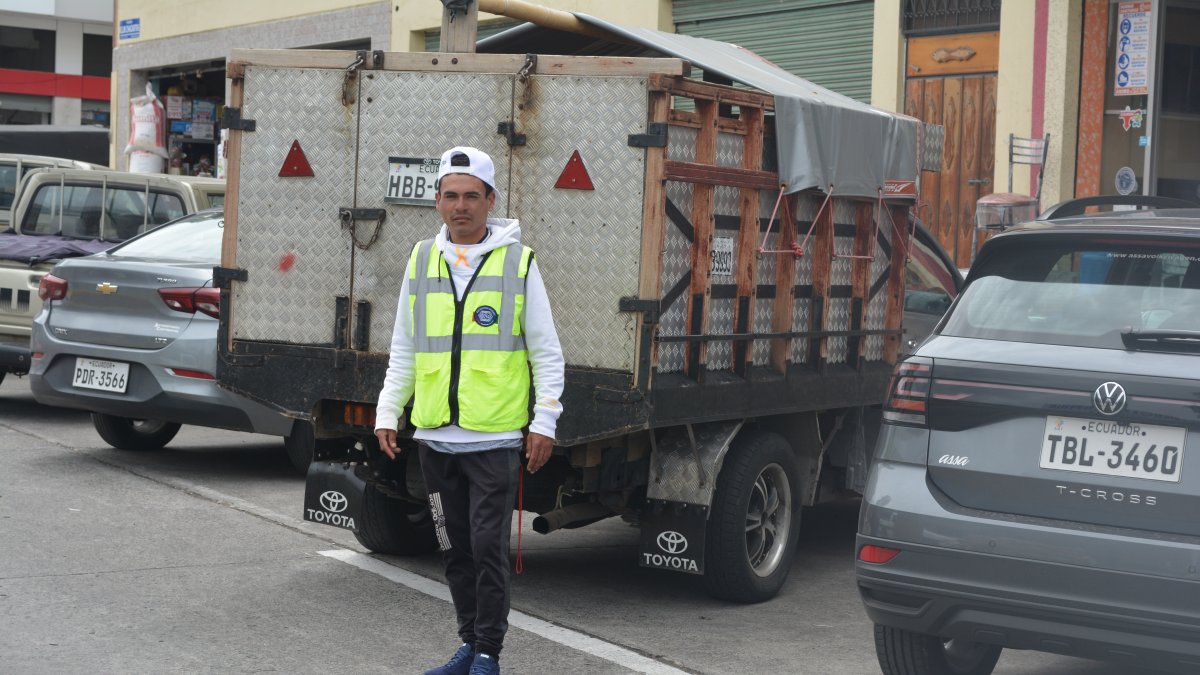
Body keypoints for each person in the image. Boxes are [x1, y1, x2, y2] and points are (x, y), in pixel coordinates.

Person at [374, 146, 564, 675]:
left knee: (486, 549)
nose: (461, 206)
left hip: (494, 439)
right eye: (451, 196)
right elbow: (405, 346)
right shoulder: (421, 259)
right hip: (435, 438)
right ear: (437, 200)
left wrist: (543, 421)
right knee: (453, 549)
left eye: (472, 196)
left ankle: (488, 653)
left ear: (490, 200)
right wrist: (389, 411)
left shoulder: (518, 263)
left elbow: (546, 352)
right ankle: (467, 642)